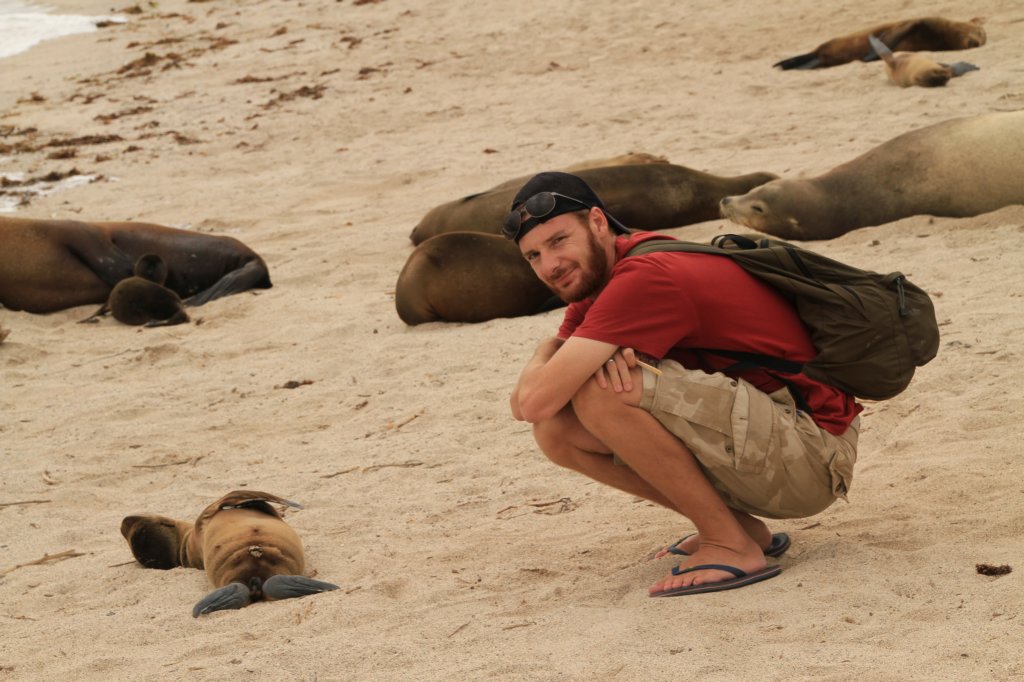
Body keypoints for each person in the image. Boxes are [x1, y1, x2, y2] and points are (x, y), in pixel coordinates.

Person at [505, 171, 861, 597]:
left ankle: (728, 544)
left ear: (598, 222)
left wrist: (554, 352)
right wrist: (551, 346)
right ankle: (739, 530)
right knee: (557, 432)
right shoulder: (597, 280)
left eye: (558, 241)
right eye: (533, 256)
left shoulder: (647, 274)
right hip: (772, 442)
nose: (549, 265)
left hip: (812, 452)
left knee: (601, 389)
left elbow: (535, 398)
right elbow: (530, 408)